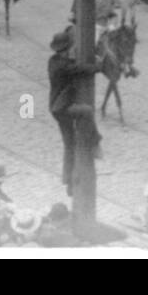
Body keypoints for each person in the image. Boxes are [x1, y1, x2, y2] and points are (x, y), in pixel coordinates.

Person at [48, 27, 100, 194]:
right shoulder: (63, 66)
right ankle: (97, 140)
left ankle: (68, 181)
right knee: (87, 110)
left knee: (69, 145)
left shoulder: (53, 61)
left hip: (56, 107)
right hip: (63, 107)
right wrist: (97, 66)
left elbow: (73, 66)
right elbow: (80, 69)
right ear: (66, 49)